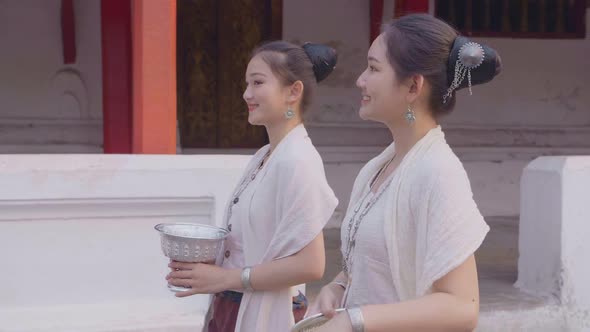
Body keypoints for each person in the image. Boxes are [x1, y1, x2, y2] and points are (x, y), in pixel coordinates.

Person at [308, 13, 502, 331]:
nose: (360, 80)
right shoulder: (378, 167)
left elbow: (462, 306)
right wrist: (339, 286)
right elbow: (372, 259)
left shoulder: (437, 172)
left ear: (413, 85)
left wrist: (355, 320)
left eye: (373, 68)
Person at [166, 40, 339, 332]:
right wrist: (206, 266)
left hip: (265, 310)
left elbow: (311, 265)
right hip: (234, 304)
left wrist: (226, 278)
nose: (247, 94)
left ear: (293, 91)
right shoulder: (265, 156)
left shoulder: (297, 160)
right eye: (247, 84)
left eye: (258, 83)